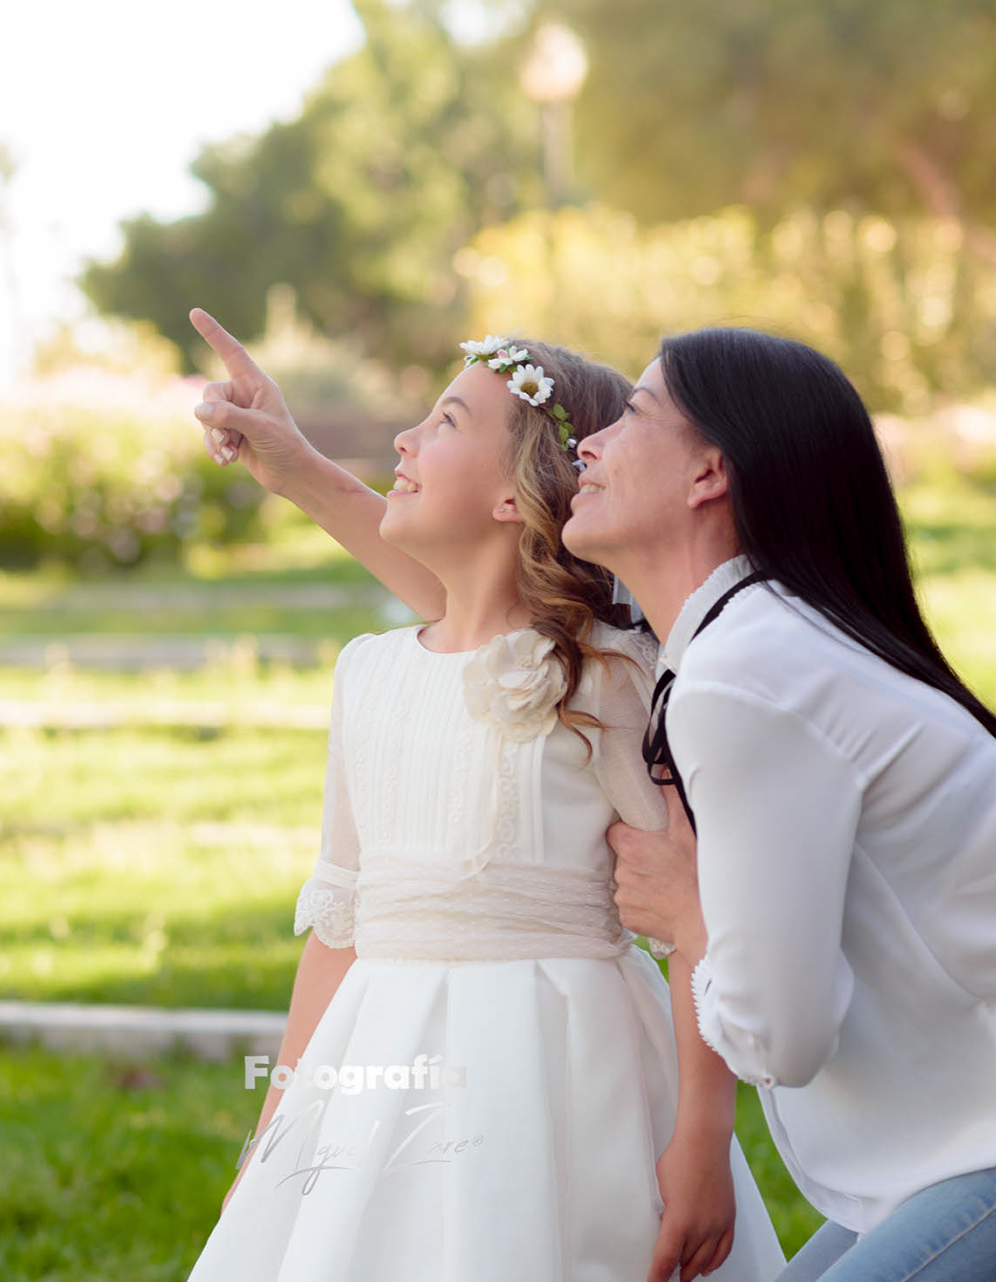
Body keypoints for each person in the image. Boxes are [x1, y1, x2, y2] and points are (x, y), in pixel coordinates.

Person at [567, 327, 996, 1282]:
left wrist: (690, 914)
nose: (589, 443)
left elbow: (785, 1032)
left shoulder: (749, 673)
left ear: (709, 475)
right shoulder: (749, 639)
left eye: (635, 415)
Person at [182, 310, 786, 1282]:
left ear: (517, 496)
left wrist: (702, 1141)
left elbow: (691, 925)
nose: (406, 440)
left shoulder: (609, 682)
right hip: (379, 1060)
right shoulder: (368, 671)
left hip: (565, 1075)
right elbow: (337, 921)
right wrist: (274, 1137)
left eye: (448, 420)